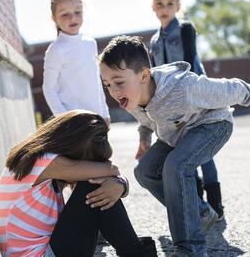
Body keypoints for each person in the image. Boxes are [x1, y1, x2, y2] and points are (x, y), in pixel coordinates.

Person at [99, 35, 250, 256]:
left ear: (144, 75)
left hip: (212, 125)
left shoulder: (183, 87)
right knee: (144, 171)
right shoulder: (131, 96)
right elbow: (146, 119)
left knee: (176, 165)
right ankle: (200, 214)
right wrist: (144, 139)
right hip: (176, 134)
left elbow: (231, 89)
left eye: (118, 82)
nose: (113, 91)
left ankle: (191, 248)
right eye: (107, 84)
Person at [0, 110, 157, 257]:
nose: (87, 170)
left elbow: (111, 174)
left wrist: (120, 185)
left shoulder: (38, 162)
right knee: (93, 186)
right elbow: (110, 169)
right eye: (88, 163)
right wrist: (118, 182)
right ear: (72, 150)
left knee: (97, 186)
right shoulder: (42, 161)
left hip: (47, 251)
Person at [149, 0, 224, 220]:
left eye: (170, 3)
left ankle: (216, 205)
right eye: (160, 4)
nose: (164, 8)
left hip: (194, 97)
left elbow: (191, 61)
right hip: (170, 104)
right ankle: (200, 207)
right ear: (153, 7)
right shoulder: (153, 41)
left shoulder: (185, 29)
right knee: (183, 152)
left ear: (178, 7)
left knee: (204, 153)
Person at [42, 0, 110, 125]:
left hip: (97, 118)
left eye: (77, 12)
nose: (72, 18)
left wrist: (105, 113)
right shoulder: (56, 49)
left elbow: (96, 81)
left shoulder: (91, 43)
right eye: (64, 14)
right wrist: (65, 118)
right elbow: (49, 88)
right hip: (74, 122)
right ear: (54, 18)